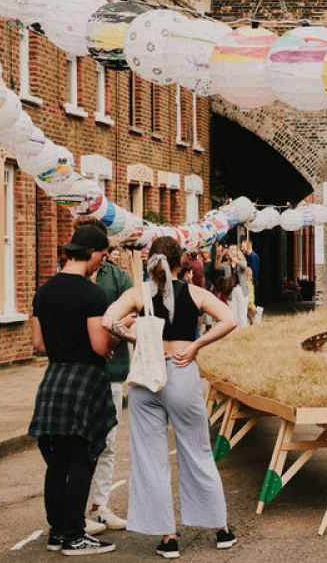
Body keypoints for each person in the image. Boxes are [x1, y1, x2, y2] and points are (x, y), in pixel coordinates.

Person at [103, 236, 238, 559]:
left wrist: (135, 335)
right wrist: (195, 346)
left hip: (146, 376)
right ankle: (220, 528)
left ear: (151, 264)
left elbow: (109, 321)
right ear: (181, 263)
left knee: (150, 457)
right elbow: (230, 320)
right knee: (197, 450)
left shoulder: (138, 294)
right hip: (181, 369)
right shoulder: (194, 292)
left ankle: (168, 537)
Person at [30, 225, 120, 556]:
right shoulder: (91, 294)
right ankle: (74, 536)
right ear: (94, 253)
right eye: (102, 256)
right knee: (83, 459)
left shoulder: (44, 291)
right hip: (84, 379)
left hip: (54, 379)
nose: (102, 262)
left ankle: (57, 533)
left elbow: (39, 344)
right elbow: (99, 347)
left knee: (57, 462)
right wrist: (114, 338)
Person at [77, 219, 133, 534]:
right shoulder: (71, 278)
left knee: (107, 443)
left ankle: (99, 506)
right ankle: (76, 510)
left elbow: (133, 311)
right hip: (81, 372)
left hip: (111, 373)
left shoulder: (118, 277)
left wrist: (109, 339)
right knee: (81, 442)